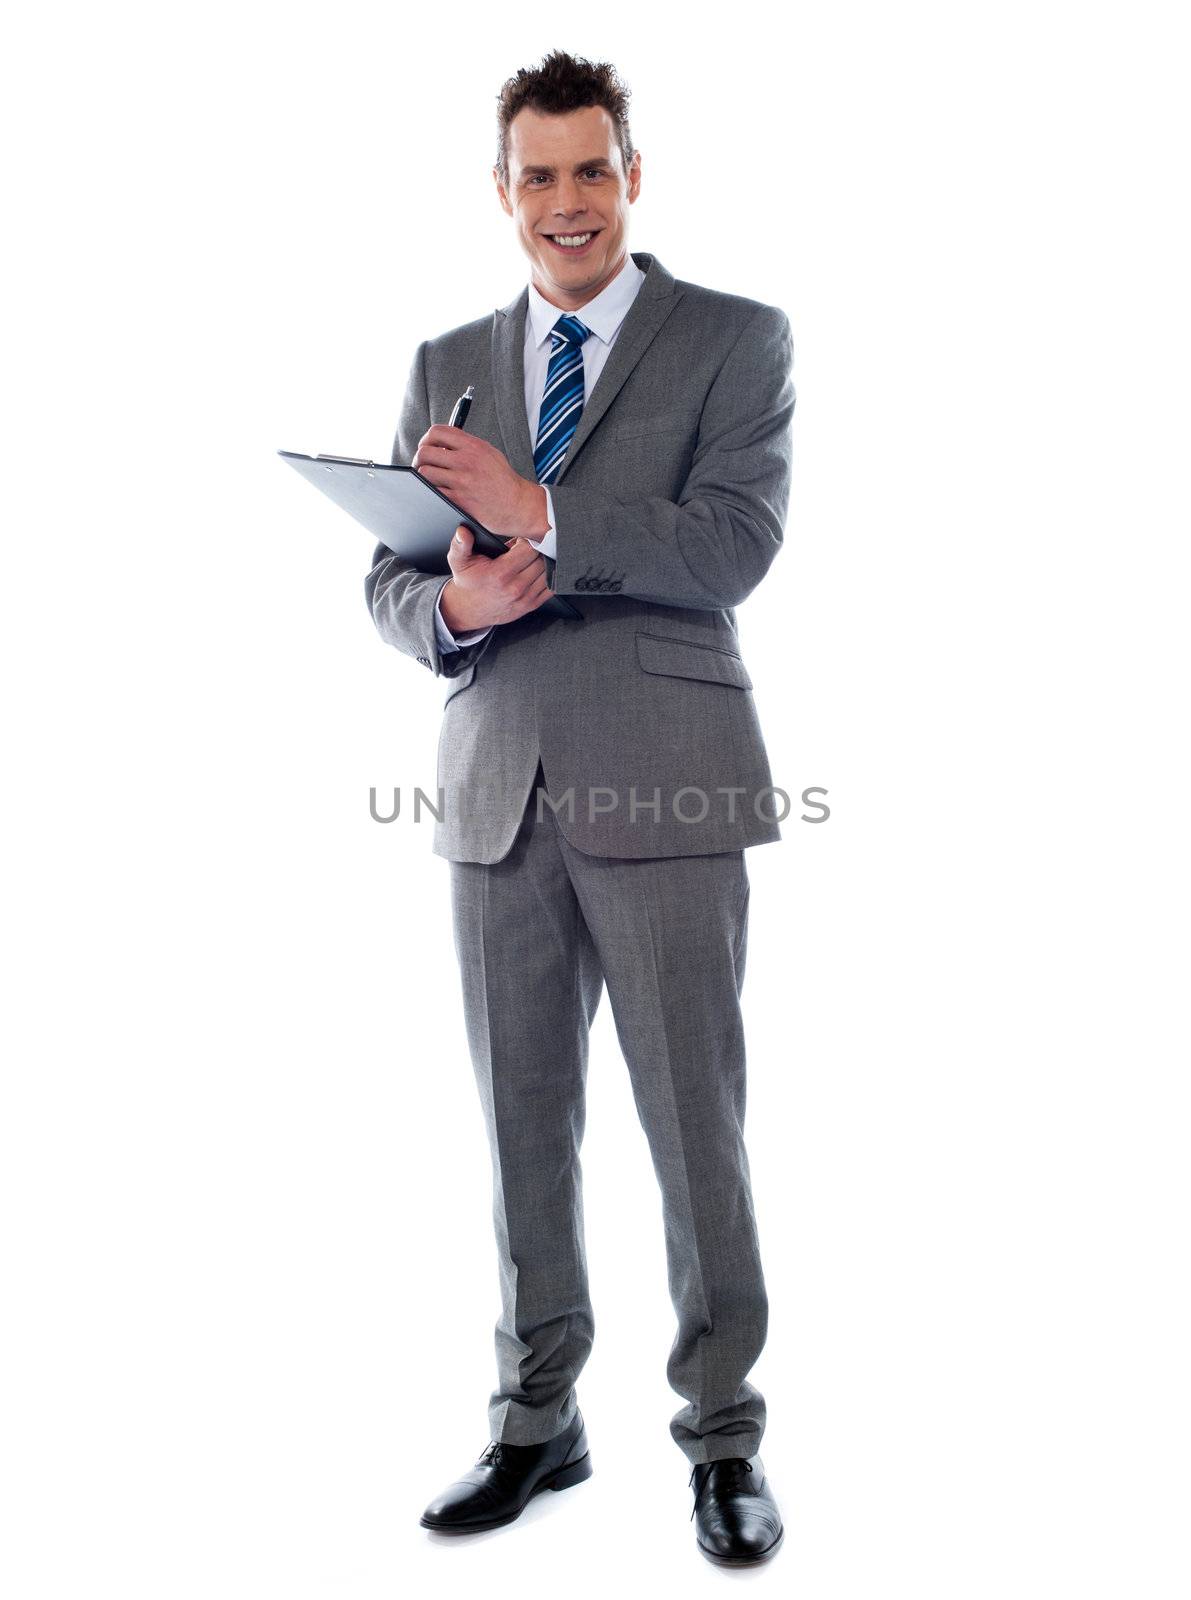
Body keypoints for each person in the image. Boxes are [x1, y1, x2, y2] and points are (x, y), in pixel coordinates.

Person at [365, 49, 794, 1566]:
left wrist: (538, 506)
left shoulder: (735, 341)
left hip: (667, 781)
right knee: (519, 1130)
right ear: (503, 192)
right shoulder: (446, 358)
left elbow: (731, 547)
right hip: (494, 797)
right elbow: (392, 580)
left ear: (633, 177)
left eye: (590, 170)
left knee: (695, 1131)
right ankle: (538, 1419)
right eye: (536, 175)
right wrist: (461, 606)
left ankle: (723, 1435)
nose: (566, 202)